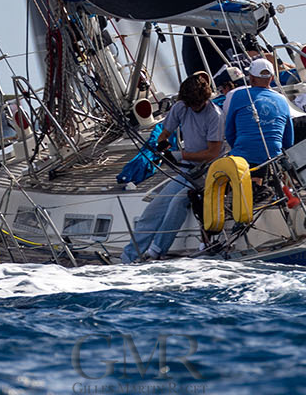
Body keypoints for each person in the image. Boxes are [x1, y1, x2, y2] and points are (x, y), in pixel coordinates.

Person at [121, 72, 226, 263]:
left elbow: (212, 153)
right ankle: (128, 258)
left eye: (196, 104)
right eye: (189, 104)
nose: (193, 108)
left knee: (177, 202)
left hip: (208, 170)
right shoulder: (181, 107)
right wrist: (163, 145)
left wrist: (181, 155)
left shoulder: (214, 116)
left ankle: (156, 251)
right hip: (186, 169)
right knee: (154, 209)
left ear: (204, 99)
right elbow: (164, 134)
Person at [223, 57, 295, 168]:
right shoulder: (282, 100)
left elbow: (229, 132)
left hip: (243, 160)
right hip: (274, 160)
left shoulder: (238, 96)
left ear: (251, 78)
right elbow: (288, 140)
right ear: (271, 78)